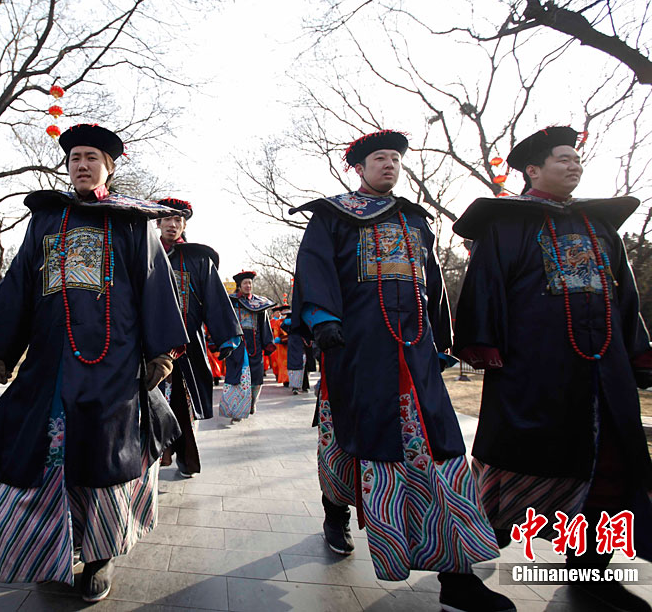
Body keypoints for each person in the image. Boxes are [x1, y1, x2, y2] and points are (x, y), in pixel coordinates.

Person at [0, 124, 188, 603]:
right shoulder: (46, 220)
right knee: (44, 460)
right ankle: (49, 551)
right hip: (50, 363)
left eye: (92, 157)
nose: (81, 165)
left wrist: (162, 353)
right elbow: (22, 279)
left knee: (103, 462)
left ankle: (100, 556)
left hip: (113, 365)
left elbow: (154, 284)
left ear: (110, 166)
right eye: (75, 158)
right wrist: (0, 342)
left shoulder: (133, 221)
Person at [291, 129, 513, 612]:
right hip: (355, 356)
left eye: (395, 159)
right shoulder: (332, 216)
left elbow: (431, 284)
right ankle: (335, 512)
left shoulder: (415, 219)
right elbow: (314, 270)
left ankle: (457, 577)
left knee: (438, 457)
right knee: (347, 443)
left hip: (415, 358)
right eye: (379, 159)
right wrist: (322, 320)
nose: (389, 165)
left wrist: (441, 340)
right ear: (358, 167)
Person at [453, 126, 652, 612]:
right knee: (513, 473)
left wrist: (638, 352)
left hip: (603, 377)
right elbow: (484, 286)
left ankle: (590, 573)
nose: (574, 164)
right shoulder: (507, 225)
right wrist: (483, 344)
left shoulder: (600, 227)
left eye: (577, 158)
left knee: (607, 471)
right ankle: (458, 577)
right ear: (533, 171)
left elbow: (624, 296)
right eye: (563, 158)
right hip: (534, 374)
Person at [156, 198, 242, 477]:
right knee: (149, 402)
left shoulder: (197, 258)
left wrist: (226, 338)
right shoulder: (143, 252)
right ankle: (153, 457)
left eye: (178, 219)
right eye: (167, 218)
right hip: (149, 345)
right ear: (157, 222)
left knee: (183, 404)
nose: (173, 224)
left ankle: (185, 459)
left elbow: (215, 298)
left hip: (186, 347)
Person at [220, 271, 276, 422]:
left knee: (256, 377)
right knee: (237, 375)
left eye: (250, 283)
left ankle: (252, 403)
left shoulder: (259, 303)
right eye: (245, 283)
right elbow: (223, 321)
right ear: (239, 285)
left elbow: (264, 324)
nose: (248, 286)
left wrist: (267, 342)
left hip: (255, 343)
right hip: (236, 343)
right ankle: (237, 410)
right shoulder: (230, 301)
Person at [270, 306, 289, 386]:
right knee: (282, 363)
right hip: (281, 345)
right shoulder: (277, 322)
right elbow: (276, 333)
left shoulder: (294, 319)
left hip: (291, 344)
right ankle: (285, 380)